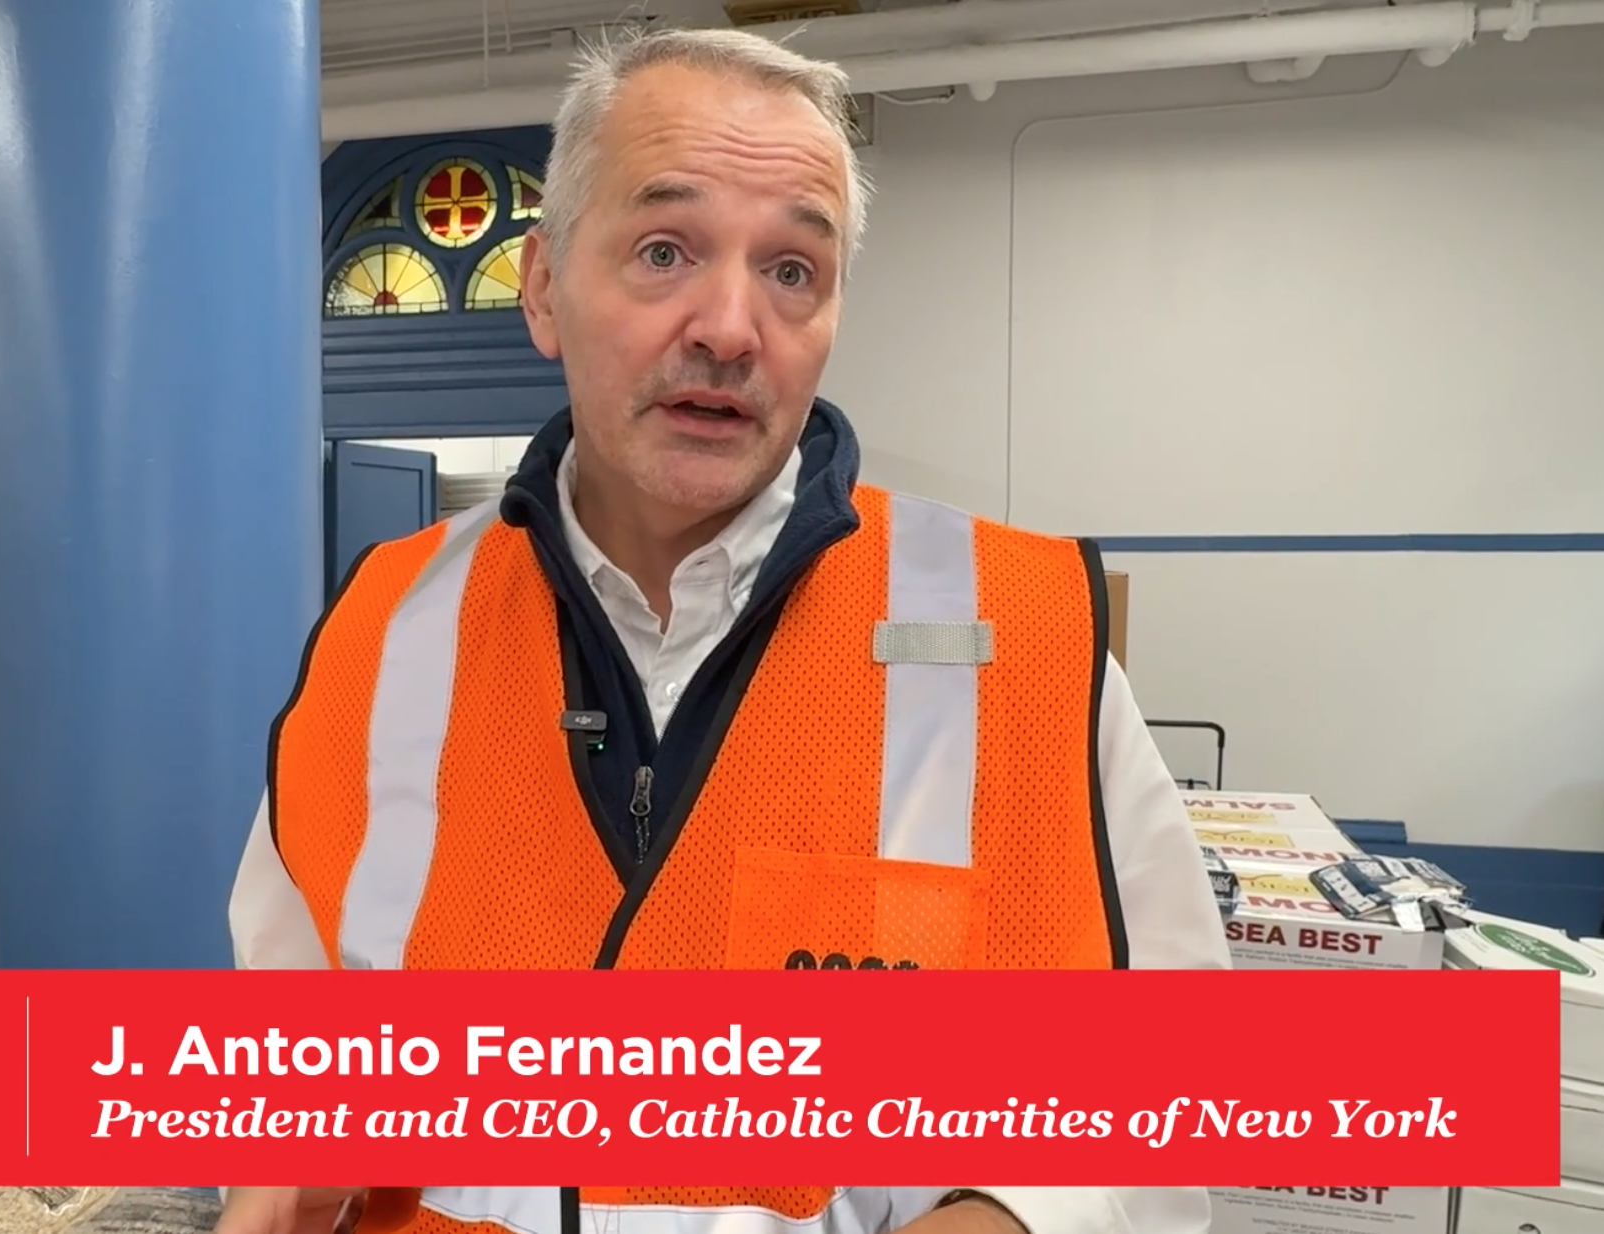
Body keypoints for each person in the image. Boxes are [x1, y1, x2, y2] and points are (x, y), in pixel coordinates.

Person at [224, 23, 1230, 1234]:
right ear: (544, 286)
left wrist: (1015, 1210)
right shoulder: (384, 623)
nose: (731, 327)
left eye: (793, 271)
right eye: (664, 250)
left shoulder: (1028, 637)